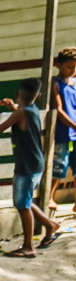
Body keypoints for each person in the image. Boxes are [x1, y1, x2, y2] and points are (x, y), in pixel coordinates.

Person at [0, 79, 52, 257]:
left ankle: (28, 247)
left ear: (18, 94)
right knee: (24, 200)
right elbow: (21, 118)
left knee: (22, 205)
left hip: (26, 166)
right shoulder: (32, 110)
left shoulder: (21, 113)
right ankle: (49, 225)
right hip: (36, 164)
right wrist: (12, 107)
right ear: (38, 96)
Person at [48, 48, 76, 223]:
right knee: (59, 165)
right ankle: (50, 197)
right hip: (63, 132)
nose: (72, 70)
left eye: (75, 67)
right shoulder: (56, 84)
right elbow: (58, 110)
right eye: (69, 67)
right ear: (58, 64)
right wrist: (74, 125)